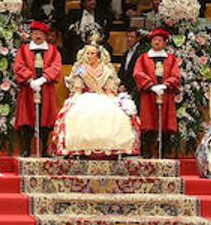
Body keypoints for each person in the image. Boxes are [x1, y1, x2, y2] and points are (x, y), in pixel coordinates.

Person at [52, 40, 139, 158]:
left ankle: (113, 147)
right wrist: (73, 100)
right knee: (76, 114)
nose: (89, 56)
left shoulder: (107, 71)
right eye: (87, 53)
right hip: (84, 98)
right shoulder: (81, 69)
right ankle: (78, 147)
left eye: (92, 53)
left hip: (103, 97)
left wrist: (116, 102)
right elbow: (78, 90)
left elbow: (109, 92)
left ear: (98, 55)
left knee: (115, 114)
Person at [15, 22, 63, 156]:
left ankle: (44, 150)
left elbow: (56, 66)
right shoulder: (23, 50)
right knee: (27, 119)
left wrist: (44, 78)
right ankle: (26, 149)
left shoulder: (53, 50)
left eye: (40, 34)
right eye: (35, 33)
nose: (37, 36)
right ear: (31, 35)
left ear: (45, 36)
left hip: (46, 89)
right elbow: (19, 66)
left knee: (46, 120)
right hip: (28, 89)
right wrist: (30, 80)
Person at [133, 29, 182, 158]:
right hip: (148, 95)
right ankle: (147, 153)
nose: (157, 42)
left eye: (160, 40)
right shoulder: (143, 58)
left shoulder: (171, 59)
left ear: (165, 43)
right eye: (154, 40)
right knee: (148, 123)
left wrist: (166, 85)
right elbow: (138, 73)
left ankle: (165, 154)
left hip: (166, 94)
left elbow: (176, 75)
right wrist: (151, 86)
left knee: (165, 124)